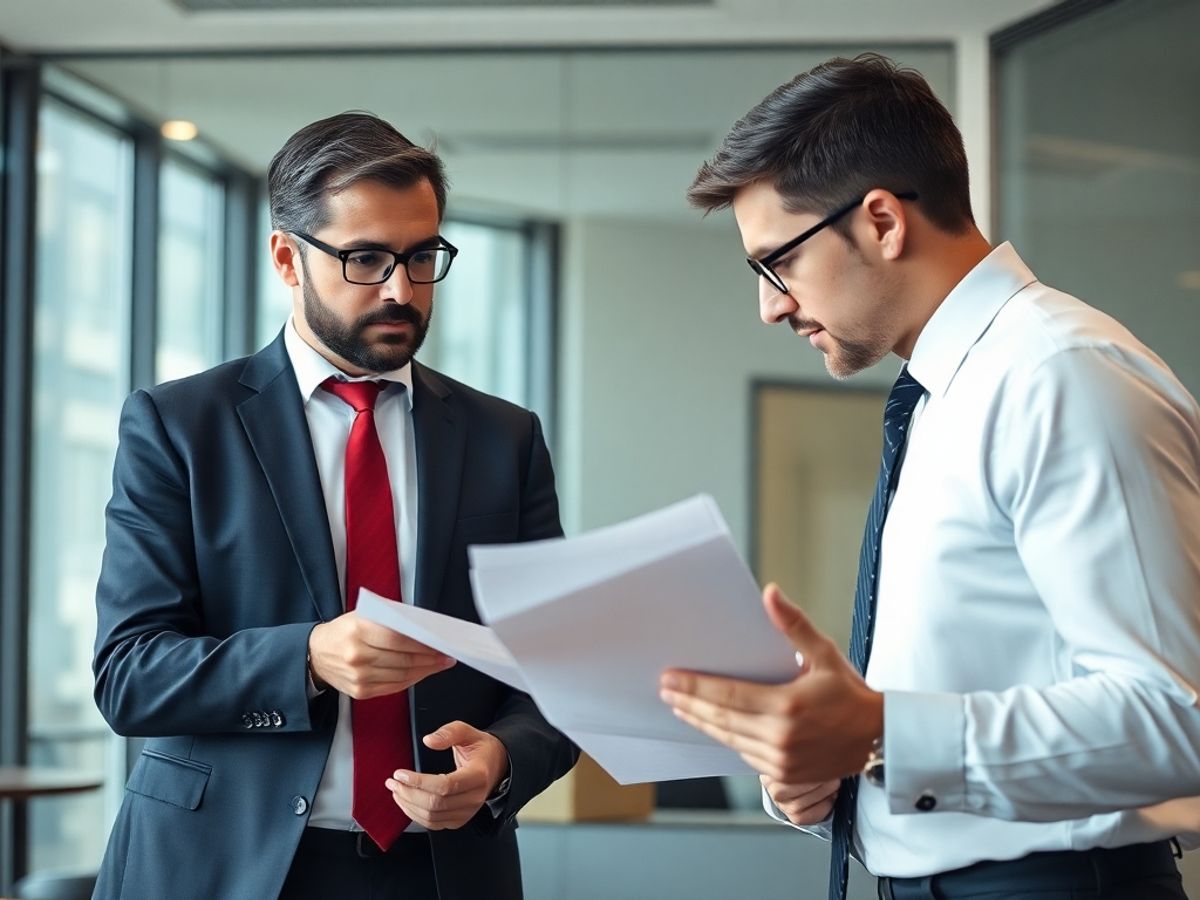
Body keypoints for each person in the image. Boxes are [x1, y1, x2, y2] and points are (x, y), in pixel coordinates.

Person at [658, 53, 1200, 900]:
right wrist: (827, 769)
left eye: (779, 264)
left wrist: (881, 735)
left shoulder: (1061, 374)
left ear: (880, 221)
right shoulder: (946, 395)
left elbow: (1180, 718)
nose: (770, 306)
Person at [92, 111, 578, 900]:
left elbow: (555, 672)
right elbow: (129, 675)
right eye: (365, 258)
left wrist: (501, 762)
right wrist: (308, 659)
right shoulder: (179, 427)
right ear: (287, 257)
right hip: (222, 865)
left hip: (443, 872)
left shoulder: (504, 439)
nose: (401, 289)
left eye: (423, 257)